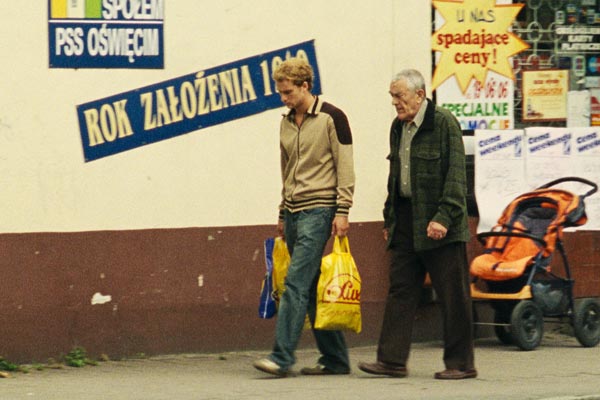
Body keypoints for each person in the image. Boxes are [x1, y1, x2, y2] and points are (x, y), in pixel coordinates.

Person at [357, 69, 476, 380]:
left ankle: (461, 364)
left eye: (400, 96)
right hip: (407, 219)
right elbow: (395, 176)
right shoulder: (398, 127)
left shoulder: (444, 122)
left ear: (420, 95)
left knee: (453, 295)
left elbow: (455, 176)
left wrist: (444, 217)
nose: (395, 102)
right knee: (401, 290)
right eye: (392, 97)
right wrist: (390, 218)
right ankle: (392, 361)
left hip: (440, 221)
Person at [253, 58, 355, 377]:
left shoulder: (332, 117)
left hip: (321, 209)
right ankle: (336, 360)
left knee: (295, 283)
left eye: (288, 92)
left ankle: (281, 357)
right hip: (294, 211)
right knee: (308, 286)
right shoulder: (285, 122)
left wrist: (343, 209)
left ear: (305, 86)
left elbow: (346, 166)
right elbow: (286, 170)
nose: (283, 98)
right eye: (280, 93)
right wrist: (282, 212)